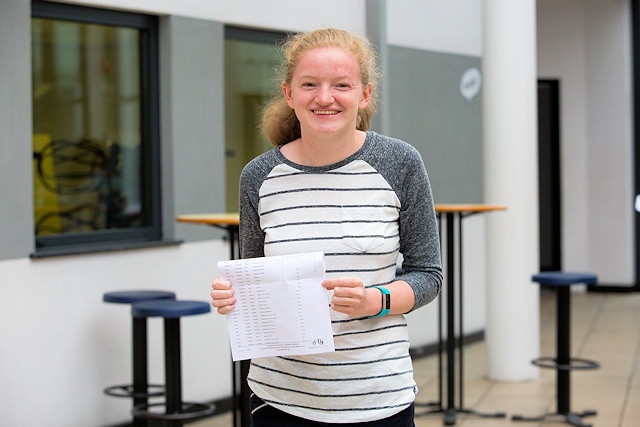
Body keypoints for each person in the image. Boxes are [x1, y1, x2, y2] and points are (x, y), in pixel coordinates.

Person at [211, 28, 442, 426]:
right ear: (289, 93)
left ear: (364, 94)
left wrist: (377, 300)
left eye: (341, 85)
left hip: (378, 397)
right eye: (309, 84)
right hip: (279, 400)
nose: (324, 97)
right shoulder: (259, 176)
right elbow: (256, 277)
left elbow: (429, 276)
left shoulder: (400, 163)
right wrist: (235, 298)